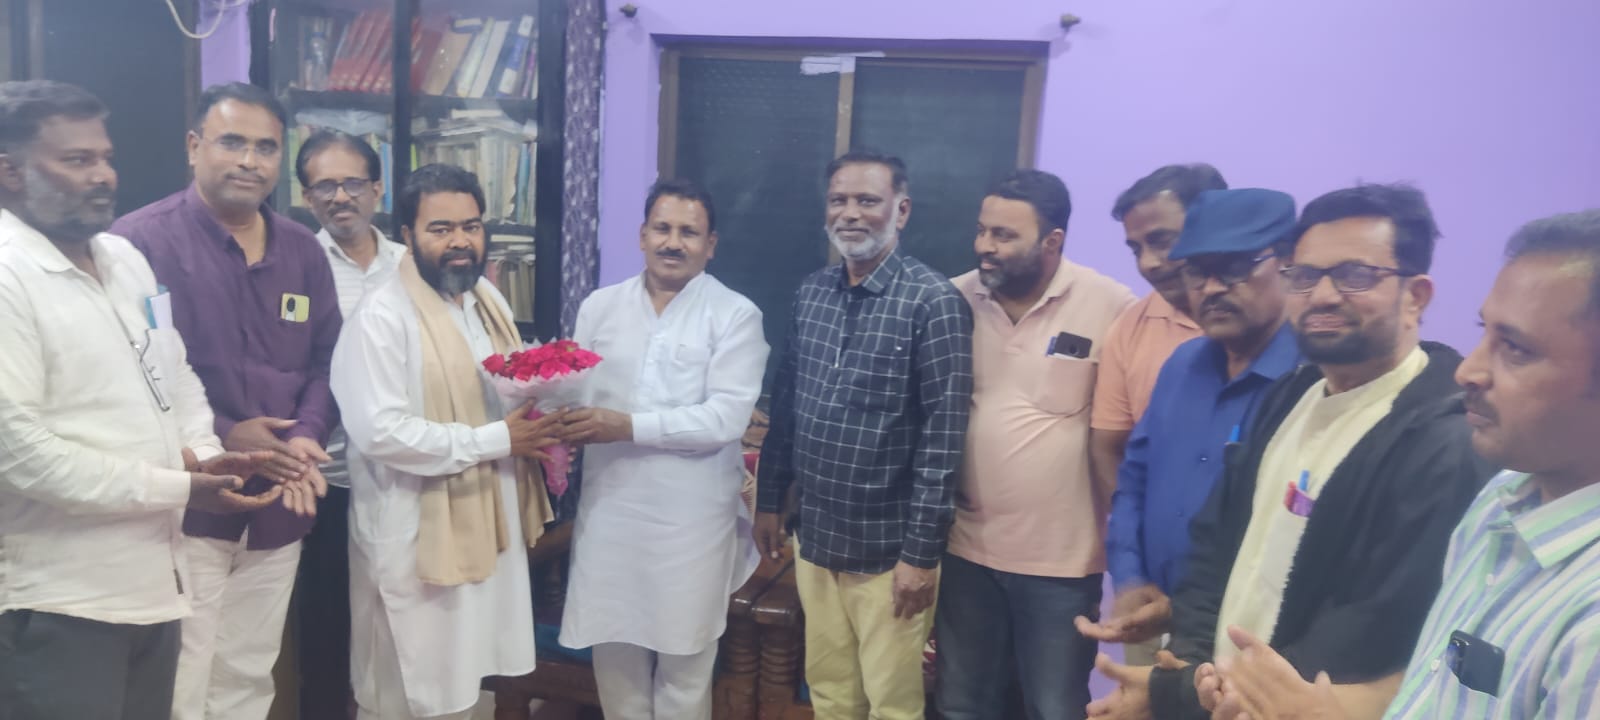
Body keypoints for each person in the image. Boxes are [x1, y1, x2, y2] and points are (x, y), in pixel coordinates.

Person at [1089, 184, 1496, 720]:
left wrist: (1188, 691)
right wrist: (1192, 668)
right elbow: (1215, 546)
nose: (1322, 296)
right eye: (1305, 276)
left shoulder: (1442, 444)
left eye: (1354, 275)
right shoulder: (1292, 394)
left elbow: (1370, 627)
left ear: (1415, 296)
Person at [1204, 209, 1600, 720]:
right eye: (1484, 333)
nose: (1469, 370)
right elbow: (1436, 682)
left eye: (1516, 350)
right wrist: (1309, 706)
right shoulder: (1500, 501)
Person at [0, 79, 289, 720]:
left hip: (158, 586)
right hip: (59, 602)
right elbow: (18, 455)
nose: (103, 175)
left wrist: (207, 455)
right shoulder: (8, 273)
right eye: (76, 160)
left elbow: (174, 372)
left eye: (105, 157)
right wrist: (180, 488)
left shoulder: (123, 258)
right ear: (10, 172)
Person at [109, 82, 339, 720]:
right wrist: (229, 433)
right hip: (188, 509)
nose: (249, 161)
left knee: (247, 675)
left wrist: (305, 436)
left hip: (281, 503)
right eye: (232, 142)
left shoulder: (302, 249)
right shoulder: (136, 244)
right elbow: (130, 372)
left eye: (266, 148)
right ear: (194, 146)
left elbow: (328, 360)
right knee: (178, 683)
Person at [330, 163, 567, 720]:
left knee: (466, 689)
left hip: (485, 520)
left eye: (471, 226)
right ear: (407, 235)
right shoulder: (381, 316)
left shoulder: (486, 300)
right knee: (405, 692)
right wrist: (499, 439)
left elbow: (504, 390)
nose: (460, 241)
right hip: (414, 535)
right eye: (440, 228)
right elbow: (381, 432)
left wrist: (546, 412)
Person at [754, 149, 973, 720]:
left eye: (867, 200)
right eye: (838, 200)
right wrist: (769, 501)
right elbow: (787, 406)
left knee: (891, 705)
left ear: (901, 210)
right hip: (815, 539)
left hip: (889, 555)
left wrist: (920, 557)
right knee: (830, 693)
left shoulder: (934, 303)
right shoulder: (812, 293)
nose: (850, 213)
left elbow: (943, 441)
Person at [558, 178, 768, 719]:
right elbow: (576, 392)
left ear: (710, 244)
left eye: (689, 233)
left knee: (684, 665)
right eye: (662, 228)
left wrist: (625, 426)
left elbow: (725, 419)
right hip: (610, 512)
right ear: (642, 235)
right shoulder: (600, 307)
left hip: (689, 524)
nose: (673, 242)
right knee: (615, 656)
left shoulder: (735, 314)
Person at [935, 169, 1134, 720]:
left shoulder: (1110, 306)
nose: (985, 246)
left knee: (1053, 707)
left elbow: (1125, 432)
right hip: (965, 553)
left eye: (1003, 235)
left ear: (1053, 241)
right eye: (982, 230)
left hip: (1061, 566)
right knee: (960, 704)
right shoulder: (953, 299)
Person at [1077, 188, 1301, 666]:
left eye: (1234, 267)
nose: (1212, 288)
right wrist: (1130, 578)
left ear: (1288, 264)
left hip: (1250, 642)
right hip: (1148, 615)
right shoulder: (1183, 365)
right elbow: (1133, 480)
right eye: (1197, 271)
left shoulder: (1313, 384)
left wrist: (1184, 610)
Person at [1089, 165, 1224, 662]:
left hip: (1243, 606)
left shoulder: (1286, 337)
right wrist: (1131, 570)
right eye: (1136, 248)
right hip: (1153, 595)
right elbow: (1114, 452)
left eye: (1162, 241)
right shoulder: (1132, 328)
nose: (1148, 263)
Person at [293, 128, 403, 720]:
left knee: (399, 626)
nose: (341, 196)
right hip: (328, 479)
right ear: (306, 197)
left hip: (405, 476)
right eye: (325, 186)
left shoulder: (412, 266)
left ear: (377, 189)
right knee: (327, 632)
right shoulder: (296, 266)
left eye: (353, 182)